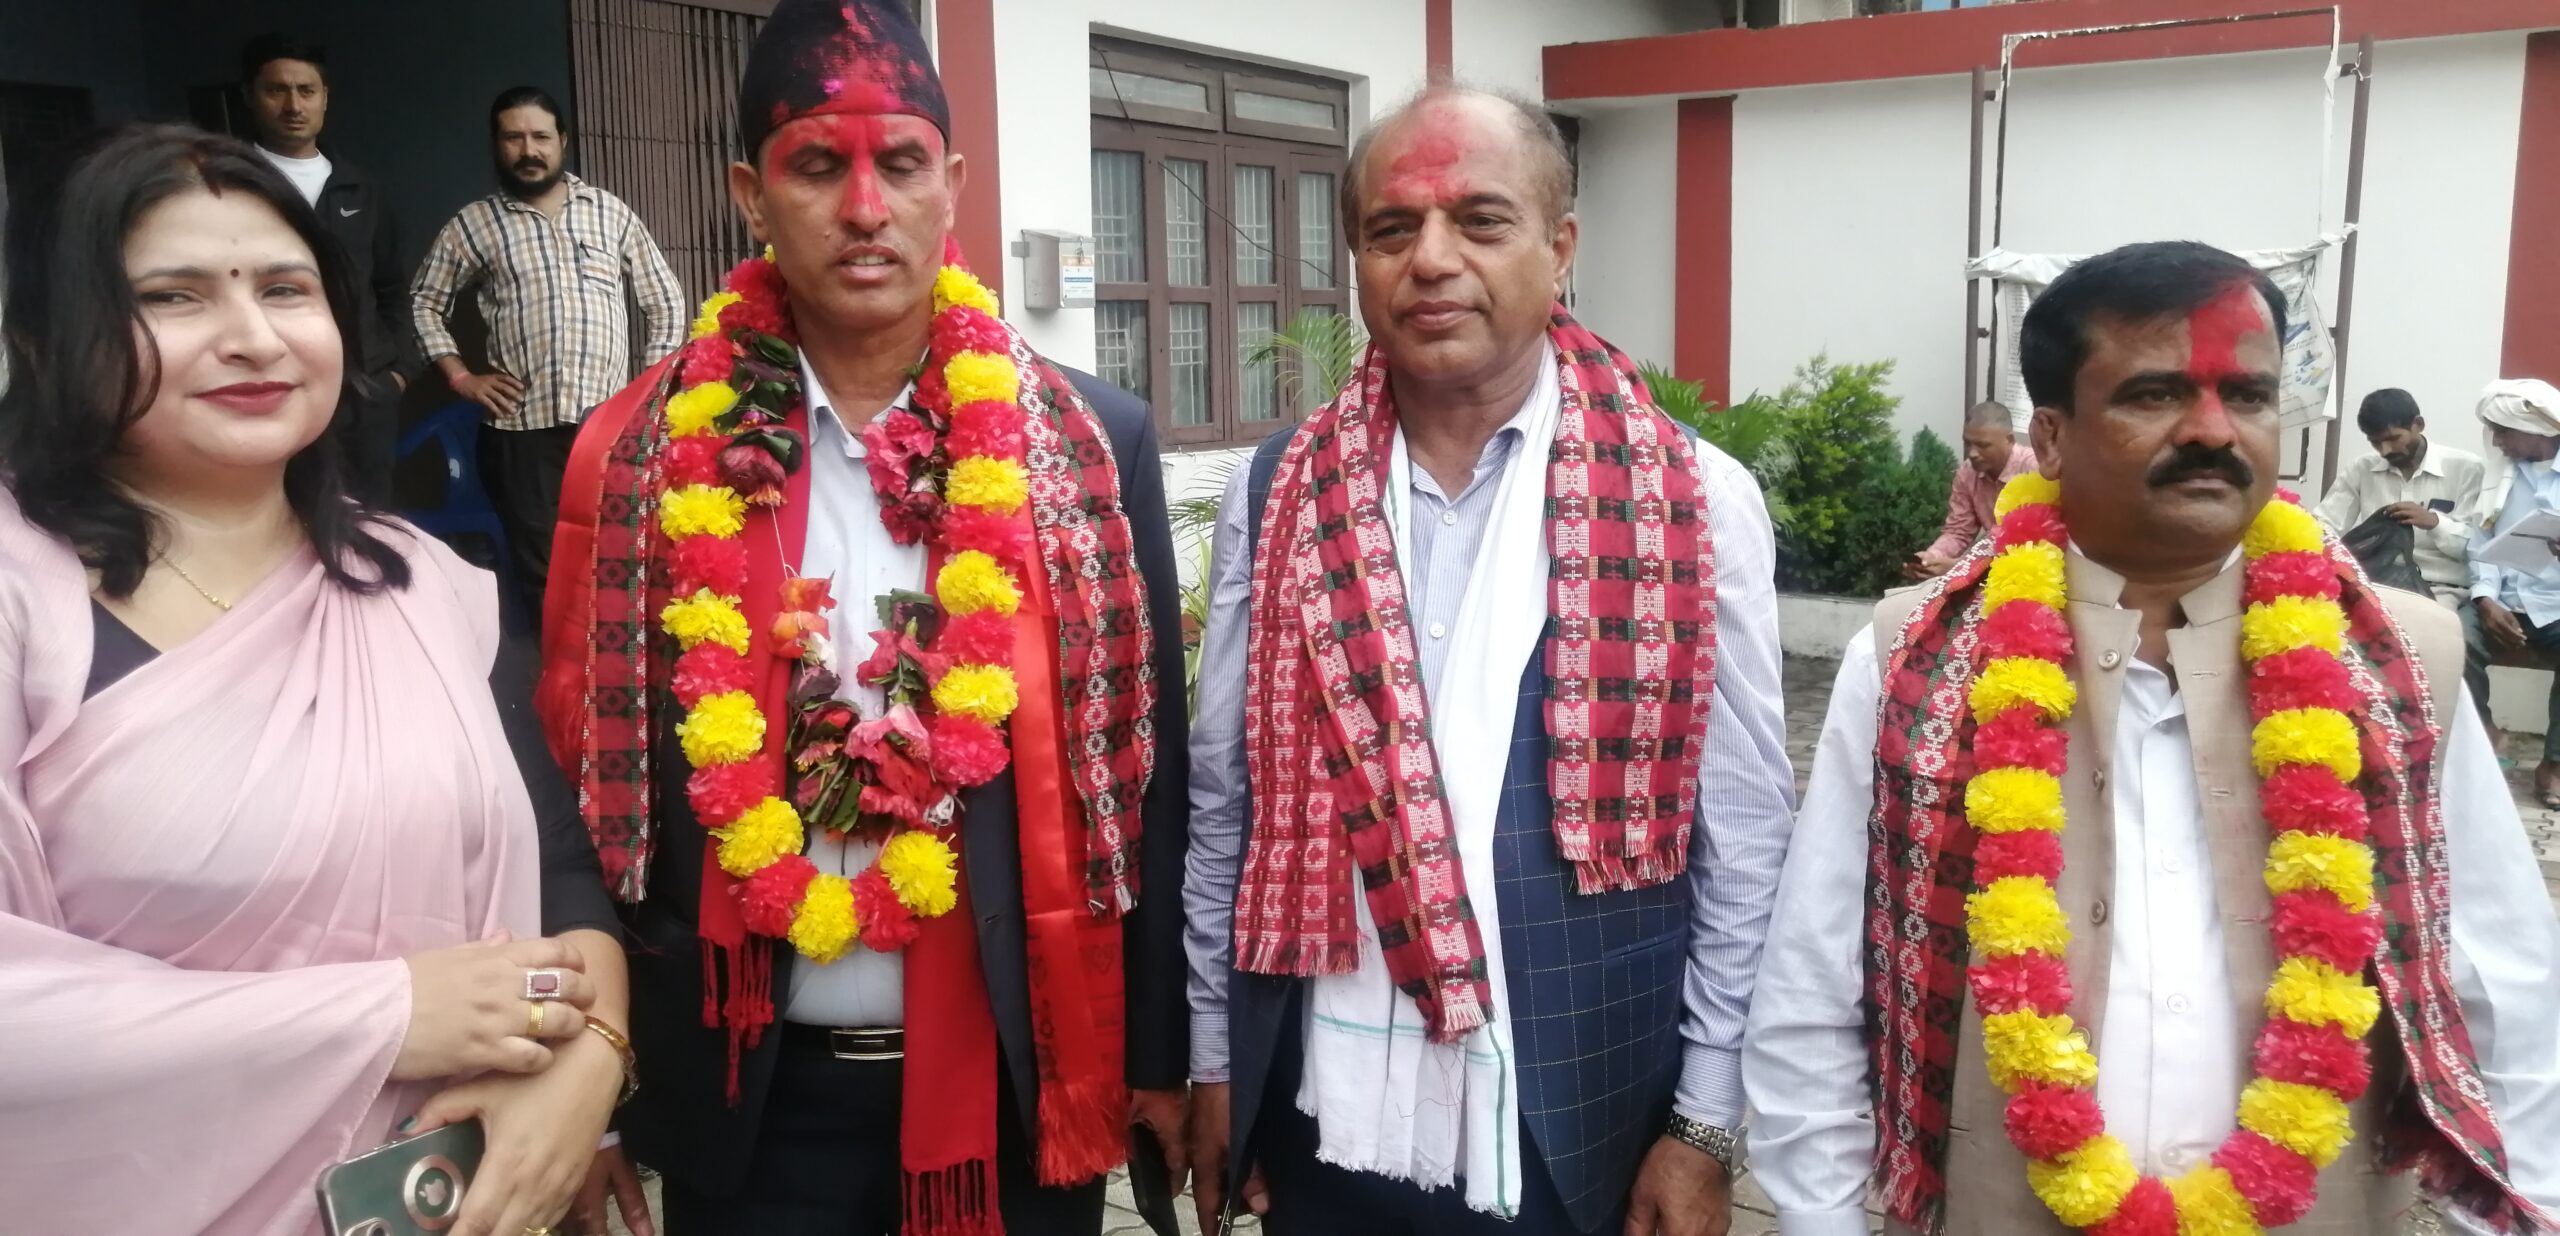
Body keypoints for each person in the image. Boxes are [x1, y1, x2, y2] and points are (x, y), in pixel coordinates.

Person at [1745, 241, 2560, 1235]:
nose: (2214, 430)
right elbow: (1817, 977)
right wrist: (1820, 1217)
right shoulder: (1911, 659)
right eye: (2156, 393)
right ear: (2051, 436)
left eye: (2248, 396)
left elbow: (2507, 982)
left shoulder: (2400, 661)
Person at [533, 3, 1190, 1232]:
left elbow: (1149, 780)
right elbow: (575, 780)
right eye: (817, 167)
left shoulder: (1095, 445)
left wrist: (1160, 1054)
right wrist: (591, 1086)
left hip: (1015, 1088)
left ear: (952, 184)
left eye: (900, 164)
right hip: (746, 1107)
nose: (865, 208)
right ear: (751, 192)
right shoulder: (635, 456)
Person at [0, 125, 636, 1236]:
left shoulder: (421, 585)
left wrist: (592, 1060)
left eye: (285, 289)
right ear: (47, 343)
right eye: (174, 297)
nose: (253, 338)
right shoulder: (20, 601)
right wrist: (383, 1016)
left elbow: (556, 862)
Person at [1184, 84, 1794, 1236]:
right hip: (1319, 1117)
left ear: (1559, 249)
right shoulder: (1274, 494)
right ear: (1357, 260)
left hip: (1588, 1126)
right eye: (1391, 228)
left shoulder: (1691, 497)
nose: (1430, 259)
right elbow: (1225, 801)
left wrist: (1706, 1124)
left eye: (1479, 220)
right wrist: (1217, 1057)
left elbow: (1746, 837)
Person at [411, 85, 684, 626]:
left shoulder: (608, 212)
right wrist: (461, 376)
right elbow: (423, 301)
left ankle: (612, 667)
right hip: (521, 432)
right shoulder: (474, 224)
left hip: (608, 426)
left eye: (540, 136)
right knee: (544, 569)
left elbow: (665, 301)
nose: (528, 150)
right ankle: (559, 674)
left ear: (563, 140)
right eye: (513, 138)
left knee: (617, 553)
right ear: (496, 144)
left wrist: (645, 394)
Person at [240, 32, 421, 503]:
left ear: (325, 98)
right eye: (276, 90)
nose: (293, 105)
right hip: (271, 383)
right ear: (250, 96)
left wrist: (398, 372)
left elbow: (392, 286)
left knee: (367, 512)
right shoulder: (232, 185)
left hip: (364, 393)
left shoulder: (359, 188)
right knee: (281, 506)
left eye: (306, 90)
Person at [2464, 377, 2560, 805]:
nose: (2497, 442)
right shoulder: (2496, 476)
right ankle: (2482, 737)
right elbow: (2479, 543)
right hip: (2500, 602)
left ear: (2537, 429)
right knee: (2454, 640)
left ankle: (2554, 764)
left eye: (2503, 431)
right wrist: (2486, 601)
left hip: (2555, 605)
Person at [2311, 388, 2485, 607]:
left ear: (2418, 424)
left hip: (2442, 589)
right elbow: (2325, 526)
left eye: (2393, 438)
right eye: (2375, 442)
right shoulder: (2361, 468)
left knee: (2422, 625)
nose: (2385, 450)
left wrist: (2434, 523)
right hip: (2377, 585)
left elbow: (2476, 548)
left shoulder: (2467, 468)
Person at [1907, 400, 2037, 578]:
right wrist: (1932, 557)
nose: (1972, 453)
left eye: (1983, 445)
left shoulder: (2035, 470)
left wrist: (1961, 567)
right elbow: (1958, 532)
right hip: (1994, 573)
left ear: (2009, 440)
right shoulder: (1967, 473)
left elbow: (2041, 545)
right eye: (1968, 443)